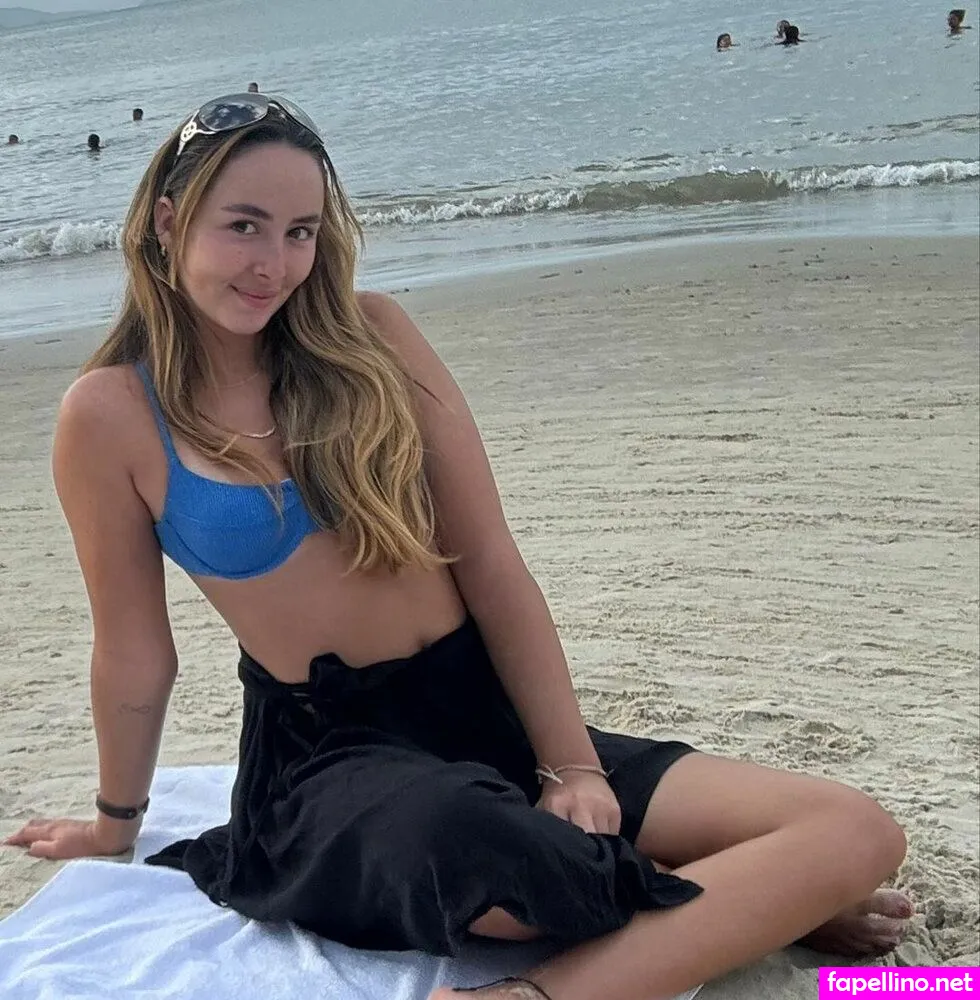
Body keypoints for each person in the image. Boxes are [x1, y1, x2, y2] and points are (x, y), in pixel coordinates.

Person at [2, 93, 913, 1000]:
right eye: (243, 225)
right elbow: (134, 652)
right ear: (169, 222)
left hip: (484, 706)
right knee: (518, 878)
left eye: (299, 232)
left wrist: (572, 765)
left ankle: (736, 900)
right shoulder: (110, 415)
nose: (273, 264)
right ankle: (674, 932)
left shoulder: (373, 340)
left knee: (854, 830)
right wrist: (114, 823)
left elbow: (488, 558)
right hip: (332, 754)